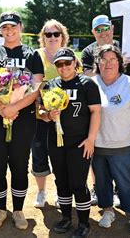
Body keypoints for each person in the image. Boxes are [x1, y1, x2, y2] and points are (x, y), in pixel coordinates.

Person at [0, 12, 44, 230]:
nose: (9, 31)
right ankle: (0, 209)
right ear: (0, 30)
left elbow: (35, 86)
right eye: (5, 27)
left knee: (18, 164)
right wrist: (2, 107)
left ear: (20, 27)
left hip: (22, 115)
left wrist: (14, 107)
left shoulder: (31, 54)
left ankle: (17, 210)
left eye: (13, 26)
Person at [40, 47, 101, 238]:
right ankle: (66, 218)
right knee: (61, 181)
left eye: (68, 62)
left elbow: (96, 112)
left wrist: (91, 139)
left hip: (79, 142)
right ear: (55, 66)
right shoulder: (51, 85)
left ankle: (83, 223)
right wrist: (48, 115)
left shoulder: (87, 84)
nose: (64, 67)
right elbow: (40, 112)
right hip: (56, 141)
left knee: (78, 182)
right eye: (59, 64)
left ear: (75, 63)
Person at [91, 44, 130, 235]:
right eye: (103, 59)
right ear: (97, 62)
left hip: (124, 144)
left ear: (120, 62)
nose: (108, 63)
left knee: (126, 182)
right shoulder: (91, 84)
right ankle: (108, 210)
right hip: (97, 145)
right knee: (101, 181)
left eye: (112, 59)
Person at [81, 15, 121, 207]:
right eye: (98, 29)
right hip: (97, 104)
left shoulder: (123, 45)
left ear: (112, 28)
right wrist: (113, 66)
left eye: (106, 27)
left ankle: (119, 189)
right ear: (93, 32)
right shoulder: (89, 51)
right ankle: (99, 187)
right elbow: (88, 74)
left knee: (121, 149)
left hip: (121, 106)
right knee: (96, 149)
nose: (103, 32)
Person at [32, 19, 70, 208]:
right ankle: (41, 191)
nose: (52, 37)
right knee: (39, 153)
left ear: (62, 37)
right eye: (48, 34)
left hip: (65, 118)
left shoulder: (70, 57)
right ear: (43, 38)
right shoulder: (36, 55)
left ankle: (60, 191)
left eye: (56, 34)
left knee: (62, 156)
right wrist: (41, 108)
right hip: (41, 114)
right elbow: (33, 86)